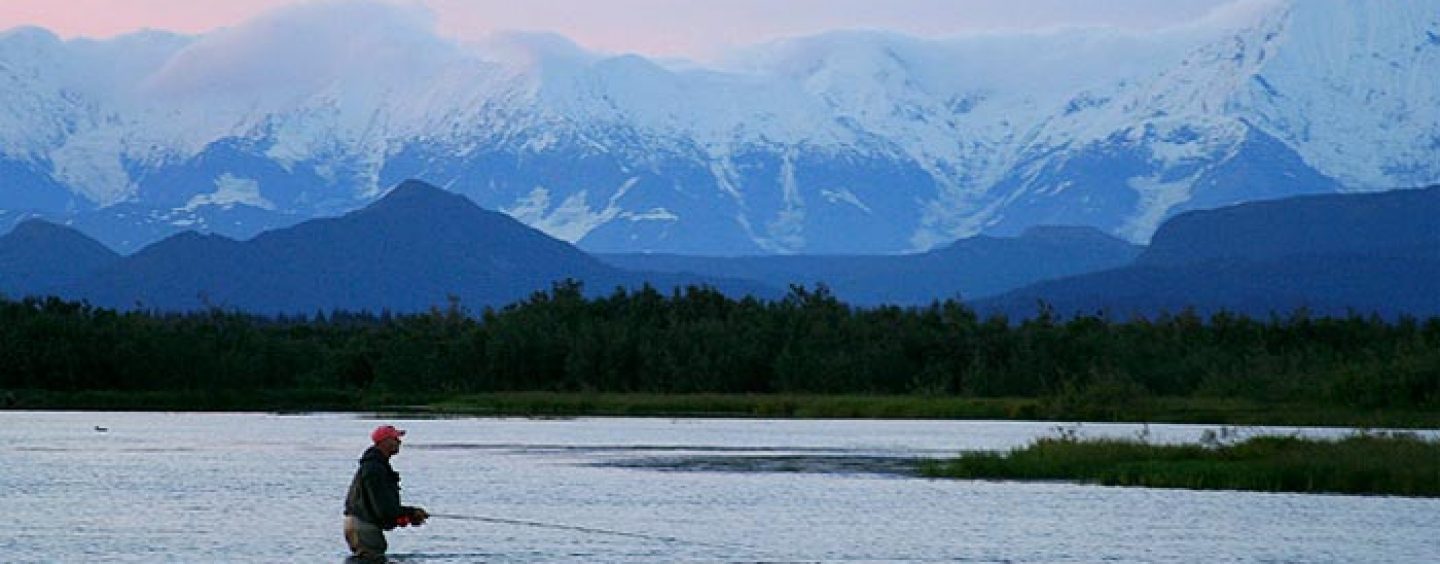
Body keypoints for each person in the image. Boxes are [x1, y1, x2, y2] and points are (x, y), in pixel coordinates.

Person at [343, 424, 428, 562]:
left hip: (360, 523)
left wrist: (403, 517)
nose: (399, 442)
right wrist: (411, 512)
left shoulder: (375, 465)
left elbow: (379, 507)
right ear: (384, 441)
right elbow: (384, 509)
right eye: (395, 438)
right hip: (364, 527)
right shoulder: (374, 469)